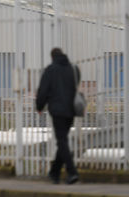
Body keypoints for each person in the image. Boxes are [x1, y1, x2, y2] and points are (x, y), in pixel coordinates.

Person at [35, 47, 80, 185]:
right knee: (63, 141)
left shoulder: (50, 70)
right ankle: (54, 173)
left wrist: (39, 106)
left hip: (58, 111)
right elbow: (75, 85)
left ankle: (72, 172)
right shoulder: (74, 68)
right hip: (71, 111)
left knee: (62, 142)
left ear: (52, 57)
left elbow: (43, 91)